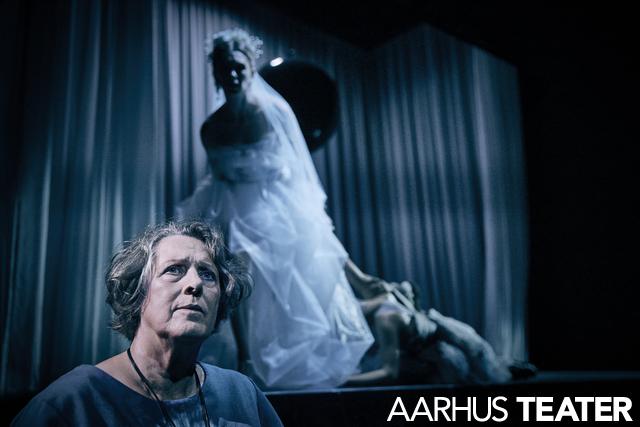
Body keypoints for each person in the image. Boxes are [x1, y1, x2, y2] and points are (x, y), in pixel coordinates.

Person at [177, 28, 374, 390]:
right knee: (231, 269)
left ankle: (275, 362)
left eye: (238, 67)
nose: (232, 74)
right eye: (224, 68)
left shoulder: (273, 113)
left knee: (280, 279)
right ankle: (244, 358)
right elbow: (215, 178)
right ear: (215, 73)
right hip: (230, 208)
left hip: (272, 207)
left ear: (251, 69)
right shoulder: (211, 127)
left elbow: (294, 174)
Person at [12, 221, 283, 426]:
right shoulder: (71, 403)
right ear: (137, 292)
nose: (195, 284)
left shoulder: (242, 394)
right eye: (174, 269)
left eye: (207, 274)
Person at [345, 276, 533, 386]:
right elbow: (359, 277)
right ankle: (507, 368)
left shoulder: (398, 312)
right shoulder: (386, 304)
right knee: (474, 369)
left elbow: (471, 347)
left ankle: (509, 368)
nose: (397, 288)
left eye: (404, 289)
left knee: (482, 366)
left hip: (439, 344)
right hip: (428, 353)